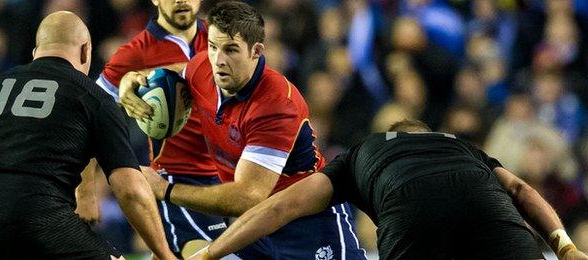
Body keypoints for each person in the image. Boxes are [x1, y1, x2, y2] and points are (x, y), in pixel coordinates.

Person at [120, 1, 367, 259]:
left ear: (256, 51)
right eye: (213, 47)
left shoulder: (275, 103)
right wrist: (132, 80)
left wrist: (166, 190)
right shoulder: (202, 68)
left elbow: (248, 195)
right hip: (252, 229)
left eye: (231, 49)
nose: (219, 60)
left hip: (307, 224)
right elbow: (168, 73)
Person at [191, 119, 588, 260]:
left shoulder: (361, 153)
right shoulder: (463, 148)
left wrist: (211, 251)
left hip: (409, 206)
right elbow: (519, 189)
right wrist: (564, 245)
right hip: (487, 202)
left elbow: (279, 207)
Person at [0, 11, 174, 260]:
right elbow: (129, 190)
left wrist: (85, 195)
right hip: (38, 220)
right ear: (86, 51)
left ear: (35, 52)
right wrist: (165, 255)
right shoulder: (92, 97)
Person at [78, 0, 225, 257]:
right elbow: (87, 116)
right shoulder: (134, 52)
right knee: (209, 254)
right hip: (177, 178)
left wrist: (161, 71)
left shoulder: (221, 40)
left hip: (230, 175)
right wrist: (86, 189)